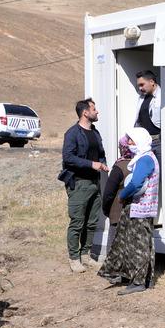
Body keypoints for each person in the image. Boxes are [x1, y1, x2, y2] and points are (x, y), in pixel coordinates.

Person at [100, 127, 159, 296]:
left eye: (132, 141)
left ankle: (138, 282)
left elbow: (136, 183)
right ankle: (143, 280)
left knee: (137, 247)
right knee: (143, 245)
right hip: (145, 208)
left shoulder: (145, 160)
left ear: (140, 141)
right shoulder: (149, 158)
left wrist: (122, 196)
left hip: (140, 209)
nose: (130, 144)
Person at [59, 98, 107, 273]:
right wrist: (91, 164)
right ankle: (74, 258)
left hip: (95, 182)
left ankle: (86, 255)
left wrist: (102, 163)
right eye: (94, 109)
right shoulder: (72, 133)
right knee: (77, 222)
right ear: (85, 112)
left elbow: (100, 153)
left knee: (92, 221)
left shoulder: (95, 133)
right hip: (79, 183)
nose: (97, 112)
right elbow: (68, 158)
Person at [98, 135, 132, 281]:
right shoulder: (139, 163)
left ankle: (112, 272)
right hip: (132, 211)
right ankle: (126, 272)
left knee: (114, 242)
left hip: (117, 211)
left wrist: (106, 209)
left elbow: (109, 192)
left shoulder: (119, 166)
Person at [134, 70, 162, 166]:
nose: (140, 88)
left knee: (161, 173)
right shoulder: (141, 97)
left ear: (152, 82)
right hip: (144, 143)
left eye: (142, 84)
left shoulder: (162, 96)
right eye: (139, 85)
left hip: (158, 141)